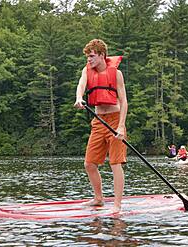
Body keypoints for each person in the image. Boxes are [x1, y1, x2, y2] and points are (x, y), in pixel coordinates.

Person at [74, 39, 128, 213]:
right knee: (89, 164)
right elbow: (81, 85)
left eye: (91, 56)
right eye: (87, 57)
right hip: (98, 121)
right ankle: (98, 199)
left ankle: (117, 205)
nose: (88, 60)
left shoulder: (116, 74)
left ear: (102, 55)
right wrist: (79, 98)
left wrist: (121, 126)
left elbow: (124, 101)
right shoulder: (86, 70)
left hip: (114, 119)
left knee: (115, 163)